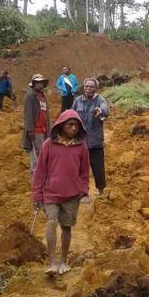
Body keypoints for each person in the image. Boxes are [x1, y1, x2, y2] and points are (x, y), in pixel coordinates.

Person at [32, 109, 89, 276]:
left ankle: (64, 261)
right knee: (51, 222)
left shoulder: (81, 147)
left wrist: (83, 190)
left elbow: (84, 172)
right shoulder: (48, 145)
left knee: (66, 227)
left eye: (76, 125)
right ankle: (52, 262)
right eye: (70, 125)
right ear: (61, 125)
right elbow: (40, 172)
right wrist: (37, 194)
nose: (73, 128)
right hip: (51, 193)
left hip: (72, 195)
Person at [72, 78, 109, 196]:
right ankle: (83, 193)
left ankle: (101, 191)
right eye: (86, 86)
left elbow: (105, 110)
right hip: (79, 141)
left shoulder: (100, 100)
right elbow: (71, 114)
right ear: (84, 87)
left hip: (95, 141)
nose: (88, 88)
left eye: (91, 87)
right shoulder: (77, 101)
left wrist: (100, 111)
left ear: (95, 88)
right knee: (80, 169)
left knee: (98, 168)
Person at [22, 74, 51, 177]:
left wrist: (49, 131)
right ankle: (36, 181)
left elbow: (47, 115)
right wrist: (30, 130)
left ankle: (43, 180)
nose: (40, 84)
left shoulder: (43, 97)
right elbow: (28, 115)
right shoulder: (30, 97)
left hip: (44, 130)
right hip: (35, 131)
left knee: (44, 156)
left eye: (41, 82)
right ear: (33, 84)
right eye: (37, 82)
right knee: (36, 157)